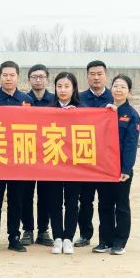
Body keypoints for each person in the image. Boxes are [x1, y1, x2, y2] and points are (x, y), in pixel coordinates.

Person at [0, 61, 32, 253]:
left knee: (16, 201)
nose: (8, 78)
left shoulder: (26, 100)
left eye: (12, 75)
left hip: (19, 159)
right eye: (5, 75)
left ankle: (14, 237)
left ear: (18, 77)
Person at [95, 74, 140, 255]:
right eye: (115, 86)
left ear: (129, 91)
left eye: (123, 87)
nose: (118, 90)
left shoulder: (132, 115)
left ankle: (120, 242)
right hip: (104, 167)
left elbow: (131, 144)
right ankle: (104, 241)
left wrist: (126, 169)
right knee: (104, 204)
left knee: (121, 205)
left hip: (121, 168)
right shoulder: (103, 110)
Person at [75, 60, 114, 248]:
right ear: (87, 76)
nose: (96, 78)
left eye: (100, 74)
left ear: (106, 76)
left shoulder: (114, 98)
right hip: (85, 157)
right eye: (92, 74)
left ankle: (106, 238)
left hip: (107, 159)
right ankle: (85, 234)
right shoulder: (79, 98)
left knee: (106, 201)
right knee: (85, 200)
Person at [46, 72, 81, 255]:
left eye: (67, 86)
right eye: (59, 86)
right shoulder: (48, 109)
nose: (63, 90)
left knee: (72, 202)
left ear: (73, 88)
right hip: (53, 163)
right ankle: (57, 237)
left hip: (74, 166)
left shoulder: (83, 110)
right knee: (54, 202)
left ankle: (68, 238)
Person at [24, 64, 55, 246]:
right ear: (29, 80)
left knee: (46, 195)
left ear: (47, 80)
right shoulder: (23, 100)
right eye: (34, 77)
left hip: (48, 154)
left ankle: (43, 230)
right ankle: (27, 230)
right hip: (26, 153)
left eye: (41, 77)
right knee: (26, 195)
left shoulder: (54, 100)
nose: (38, 80)